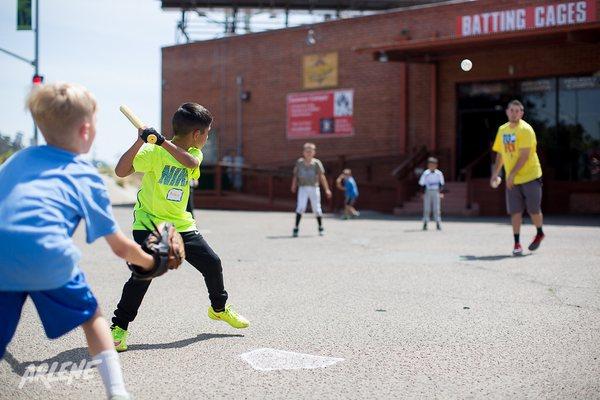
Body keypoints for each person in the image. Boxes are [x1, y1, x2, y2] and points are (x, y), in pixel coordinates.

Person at [0, 82, 160, 400]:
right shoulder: (85, 175)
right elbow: (120, 247)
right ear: (86, 130)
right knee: (93, 318)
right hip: (48, 255)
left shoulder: (17, 160)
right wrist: (152, 262)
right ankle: (117, 392)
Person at [110, 102, 249, 352]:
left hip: (181, 224)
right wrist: (140, 141)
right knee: (145, 272)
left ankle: (218, 309)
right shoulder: (152, 153)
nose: (206, 138)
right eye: (206, 133)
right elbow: (121, 171)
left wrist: (161, 142)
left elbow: (189, 164)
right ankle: (119, 327)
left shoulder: (193, 154)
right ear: (197, 134)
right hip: (149, 224)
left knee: (212, 263)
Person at [491, 99, 545, 255]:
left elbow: (524, 156)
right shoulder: (502, 130)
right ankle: (517, 244)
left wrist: (511, 175)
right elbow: (500, 153)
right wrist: (495, 174)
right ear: (507, 112)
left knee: (533, 210)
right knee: (515, 211)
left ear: (522, 113)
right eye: (511, 110)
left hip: (530, 176)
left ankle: (539, 232)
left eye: (517, 111)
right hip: (512, 179)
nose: (514, 113)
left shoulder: (526, 130)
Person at [291, 142, 332, 237]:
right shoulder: (299, 162)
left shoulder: (316, 163)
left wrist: (327, 189)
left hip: (314, 187)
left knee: (316, 208)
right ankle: (296, 228)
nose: (308, 153)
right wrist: (293, 185)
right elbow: (295, 176)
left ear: (314, 152)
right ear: (303, 152)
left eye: (311, 151)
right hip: (303, 187)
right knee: (301, 207)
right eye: (307, 151)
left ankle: (320, 227)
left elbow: (322, 177)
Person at [419, 157, 445, 231]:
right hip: (428, 191)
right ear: (428, 165)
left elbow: (441, 184)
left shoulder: (439, 173)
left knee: (436, 208)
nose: (432, 166)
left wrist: (441, 192)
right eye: (430, 165)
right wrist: (422, 193)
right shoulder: (426, 173)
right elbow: (422, 184)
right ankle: (425, 223)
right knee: (426, 208)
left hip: (436, 191)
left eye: (433, 165)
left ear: (436, 165)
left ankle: (438, 223)